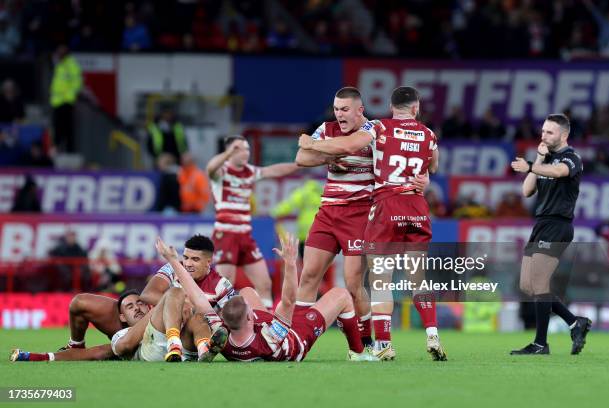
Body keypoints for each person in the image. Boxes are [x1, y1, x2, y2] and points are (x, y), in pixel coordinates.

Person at [299, 86, 445, 361]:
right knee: (417, 277)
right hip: (412, 207)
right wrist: (424, 177)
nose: (339, 114)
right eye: (337, 109)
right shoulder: (429, 134)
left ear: (389, 108)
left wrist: (312, 144)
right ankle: (432, 334)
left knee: (375, 280)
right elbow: (432, 166)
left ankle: (379, 344)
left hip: (378, 208)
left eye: (344, 109)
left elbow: (348, 145)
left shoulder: (377, 128)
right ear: (416, 109)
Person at [155, 234, 378, 362]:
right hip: (295, 339)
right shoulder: (271, 337)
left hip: (257, 333)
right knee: (341, 295)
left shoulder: (222, 336)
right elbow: (289, 301)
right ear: (251, 317)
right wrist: (290, 265)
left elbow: (201, 301)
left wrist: (174, 261)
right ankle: (358, 353)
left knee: (249, 292)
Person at [58, 234, 235, 351]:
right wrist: (179, 304)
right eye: (186, 257)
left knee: (107, 352)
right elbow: (148, 295)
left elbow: (231, 322)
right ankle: (76, 344)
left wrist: (195, 313)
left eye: (195, 260)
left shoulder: (221, 286)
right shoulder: (173, 267)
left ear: (208, 262)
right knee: (80, 302)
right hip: (142, 321)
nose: (187, 264)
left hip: (172, 337)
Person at [510, 113, 591, 355]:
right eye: (543, 131)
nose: (543, 135)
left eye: (550, 132)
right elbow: (526, 191)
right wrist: (538, 158)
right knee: (528, 285)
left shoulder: (572, 157)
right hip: (541, 225)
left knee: (539, 283)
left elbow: (559, 173)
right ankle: (576, 323)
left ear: (564, 135)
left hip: (559, 225)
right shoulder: (545, 159)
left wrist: (532, 166)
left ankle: (540, 343)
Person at [206, 135, 298, 309]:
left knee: (264, 284)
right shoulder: (221, 172)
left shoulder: (249, 172)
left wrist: (300, 164)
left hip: (245, 235)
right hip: (226, 234)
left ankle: (266, 325)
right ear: (229, 151)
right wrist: (227, 154)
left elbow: (274, 170)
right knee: (224, 286)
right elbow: (210, 168)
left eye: (247, 149)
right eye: (239, 149)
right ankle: (217, 326)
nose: (245, 152)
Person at [11, 289, 224, 363]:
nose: (137, 307)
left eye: (140, 302)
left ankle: (205, 348)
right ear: (122, 317)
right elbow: (90, 354)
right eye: (130, 307)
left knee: (197, 318)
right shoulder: (122, 333)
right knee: (175, 293)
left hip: (181, 350)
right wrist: (36, 356)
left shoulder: (163, 316)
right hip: (151, 346)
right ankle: (175, 343)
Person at [50, 44, 82, 153]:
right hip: (57, 102)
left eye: (61, 51)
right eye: (58, 51)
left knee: (67, 128)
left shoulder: (71, 64)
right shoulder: (60, 64)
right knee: (57, 128)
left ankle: (69, 151)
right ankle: (57, 149)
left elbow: (77, 83)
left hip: (66, 102)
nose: (59, 53)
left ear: (66, 52)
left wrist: (69, 97)